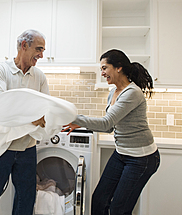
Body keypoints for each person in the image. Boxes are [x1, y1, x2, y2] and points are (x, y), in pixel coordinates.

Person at [63, 49, 160, 215]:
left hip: (141, 159)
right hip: (122, 154)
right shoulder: (113, 93)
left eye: (104, 68)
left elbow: (106, 122)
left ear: (118, 68)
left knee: (119, 209)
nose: (102, 73)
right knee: (99, 200)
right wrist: (80, 125)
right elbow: (109, 127)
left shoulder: (132, 93)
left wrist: (73, 117)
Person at [0, 29, 49, 215]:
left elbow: (45, 108)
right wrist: (32, 115)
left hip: (27, 145)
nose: (41, 55)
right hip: (1, 144)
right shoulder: (1, 70)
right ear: (24, 45)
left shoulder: (39, 76)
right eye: (39, 49)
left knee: (26, 197)